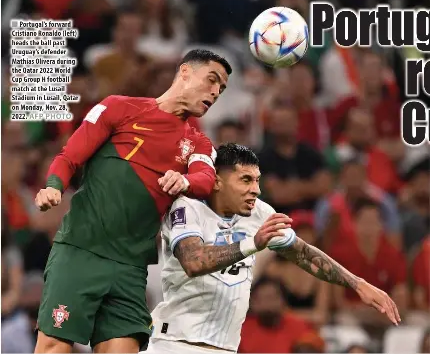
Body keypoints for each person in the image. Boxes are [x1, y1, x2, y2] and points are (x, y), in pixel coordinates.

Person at [33, 49, 232, 354]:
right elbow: (69, 156)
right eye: (212, 80)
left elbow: (205, 179)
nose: (216, 91)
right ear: (185, 72)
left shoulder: (199, 142)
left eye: (222, 88)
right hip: (82, 250)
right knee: (53, 347)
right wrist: (52, 186)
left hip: (131, 267)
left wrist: (186, 181)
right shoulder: (118, 107)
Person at [144, 143, 401, 354]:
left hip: (225, 347)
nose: (255, 189)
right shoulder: (186, 207)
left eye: (257, 181)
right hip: (174, 344)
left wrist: (358, 284)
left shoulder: (260, 212)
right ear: (218, 181)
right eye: (245, 180)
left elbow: (303, 253)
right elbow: (194, 261)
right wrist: (252, 243)